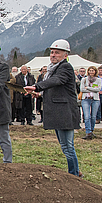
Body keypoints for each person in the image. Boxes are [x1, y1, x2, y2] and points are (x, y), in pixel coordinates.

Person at [25, 39, 82, 177]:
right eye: (52, 52)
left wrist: (37, 86)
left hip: (65, 112)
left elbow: (57, 81)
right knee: (65, 146)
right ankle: (75, 172)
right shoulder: (53, 68)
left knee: (68, 147)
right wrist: (39, 94)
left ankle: (74, 174)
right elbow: (55, 87)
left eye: (57, 52)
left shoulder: (65, 67)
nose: (53, 55)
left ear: (65, 55)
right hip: (59, 112)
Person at [80, 66, 101, 139]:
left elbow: (98, 89)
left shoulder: (98, 80)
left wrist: (88, 88)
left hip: (95, 99)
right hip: (86, 99)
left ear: (95, 71)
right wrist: (92, 89)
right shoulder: (84, 79)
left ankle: (91, 130)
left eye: (93, 70)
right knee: (87, 116)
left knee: (93, 116)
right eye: (90, 70)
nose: (91, 72)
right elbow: (82, 89)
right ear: (88, 71)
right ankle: (88, 131)